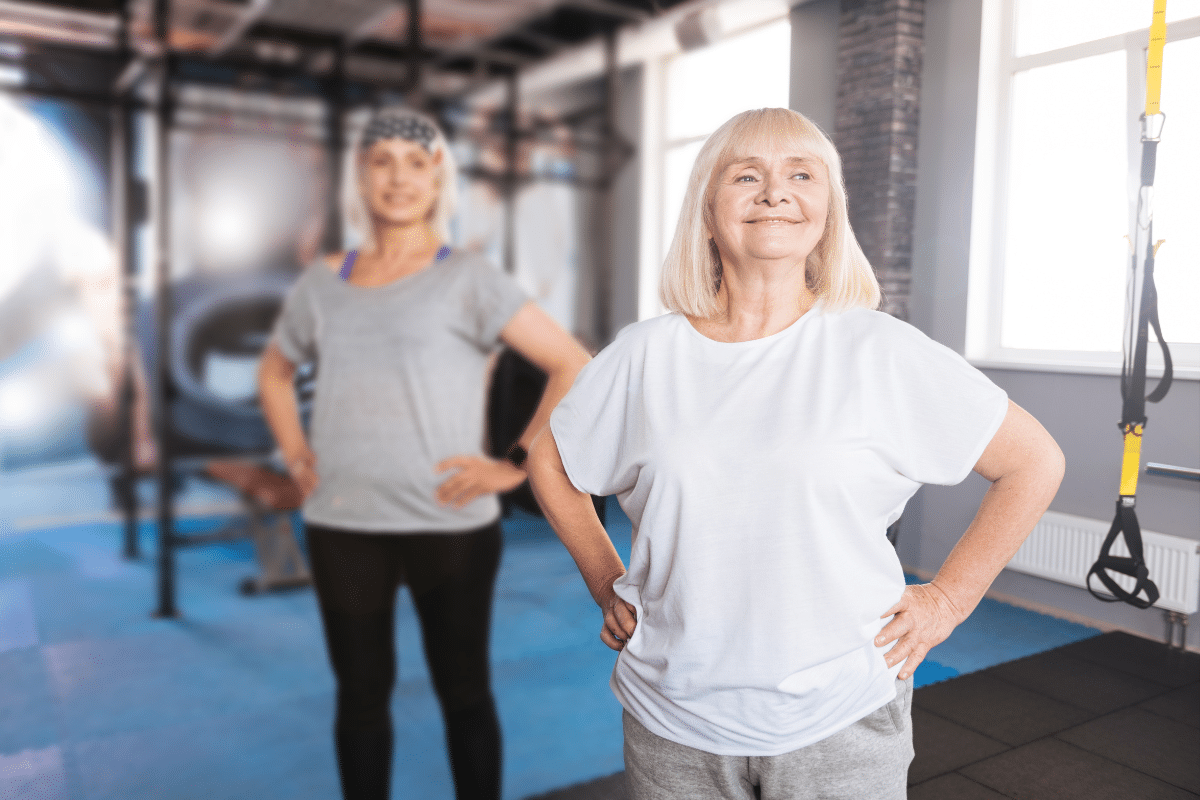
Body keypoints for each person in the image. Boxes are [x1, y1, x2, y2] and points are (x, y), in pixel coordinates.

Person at [526, 108, 1065, 800]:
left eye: (800, 175)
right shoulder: (644, 355)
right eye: (746, 175)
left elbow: (1033, 461)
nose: (774, 192)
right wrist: (606, 580)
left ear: (825, 213)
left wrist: (949, 600)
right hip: (673, 721)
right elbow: (552, 460)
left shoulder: (880, 350)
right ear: (708, 212)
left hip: (838, 717)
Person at [257, 107, 591, 800]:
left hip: (450, 525)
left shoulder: (468, 277)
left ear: (438, 179)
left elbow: (571, 362)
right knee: (360, 697)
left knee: (464, 694)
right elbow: (274, 371)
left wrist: (515, 462)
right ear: (362, 176)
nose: (399, 178)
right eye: (382, 162)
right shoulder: (322, 281)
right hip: (344, 522)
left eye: (416, 163)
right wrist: (294, 453)